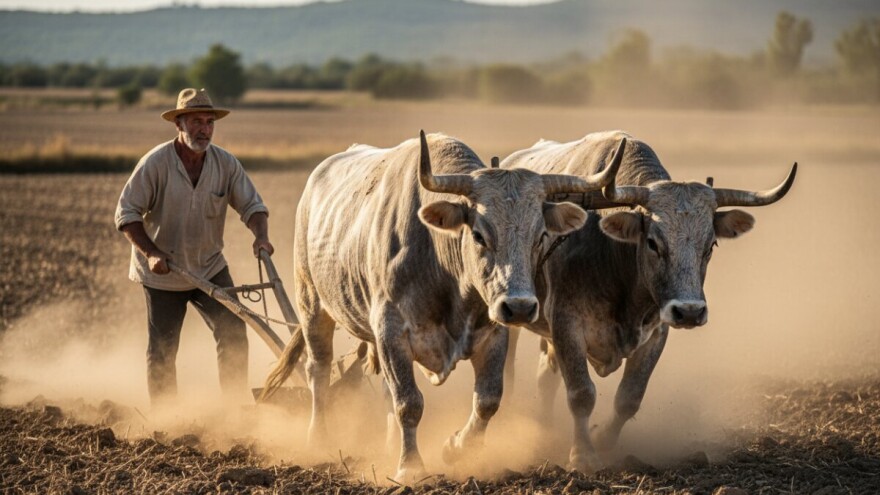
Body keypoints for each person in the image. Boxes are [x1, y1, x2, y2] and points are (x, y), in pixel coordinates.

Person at [114, 88, 274, 407]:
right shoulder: (156, 164)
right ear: (180, 125)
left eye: (209, 122)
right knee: (163, 347)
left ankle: (234, 408)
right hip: (164, 273)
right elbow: (126, 214)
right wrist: (152, 253)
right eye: (196, 121)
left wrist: (261, 236)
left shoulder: (224, 163)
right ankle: (165, 418)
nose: (204, 129)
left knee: (233, 332)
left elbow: (253, 206)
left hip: (210, 266)